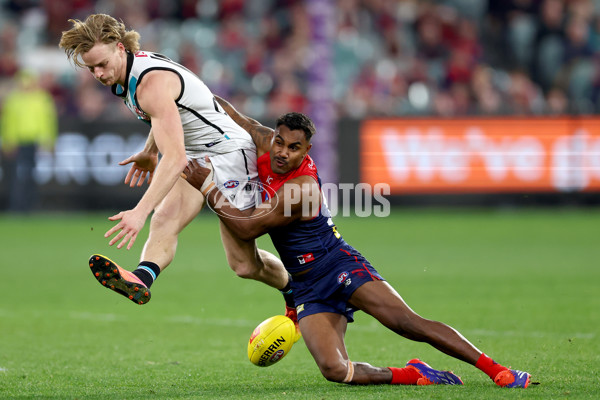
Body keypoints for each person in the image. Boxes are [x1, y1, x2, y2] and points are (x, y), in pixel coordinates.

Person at [183, 97, 532, 388]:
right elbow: (232, 114)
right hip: (307, 285)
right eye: (280, 143)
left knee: (407, 323)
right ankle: (412, 374)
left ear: (306, 151)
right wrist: (189, 98)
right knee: (335, 370)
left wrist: (208, 186)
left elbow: (247, 230)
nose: (283, 153)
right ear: (273, 137)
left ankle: (497, 371)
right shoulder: (266, 143)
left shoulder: (301, 188)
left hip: (337, 265)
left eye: (294, 148)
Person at [58, 14, 296, 322]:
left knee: (243, 266)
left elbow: (175, 158)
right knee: (166, 218)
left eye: (102, 64)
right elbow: (169, 119)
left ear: (120, 48)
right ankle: (141, 279)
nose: (99, 74)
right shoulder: (129, 75)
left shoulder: (149, 83)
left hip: (230, 153)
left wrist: (138, 211)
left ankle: (296, 289)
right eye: (91, 68)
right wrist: (148, 151)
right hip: (199, 152)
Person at [1, 69, 58, 213]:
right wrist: (9, 142)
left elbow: (47, 122)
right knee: (21, 175)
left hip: (33, 142)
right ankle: (21, 205)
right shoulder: (17, 99)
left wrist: (48, 141)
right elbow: (9, 123)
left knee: (28, 174)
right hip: (20, 142)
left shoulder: (38, 98)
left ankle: (27, 205)